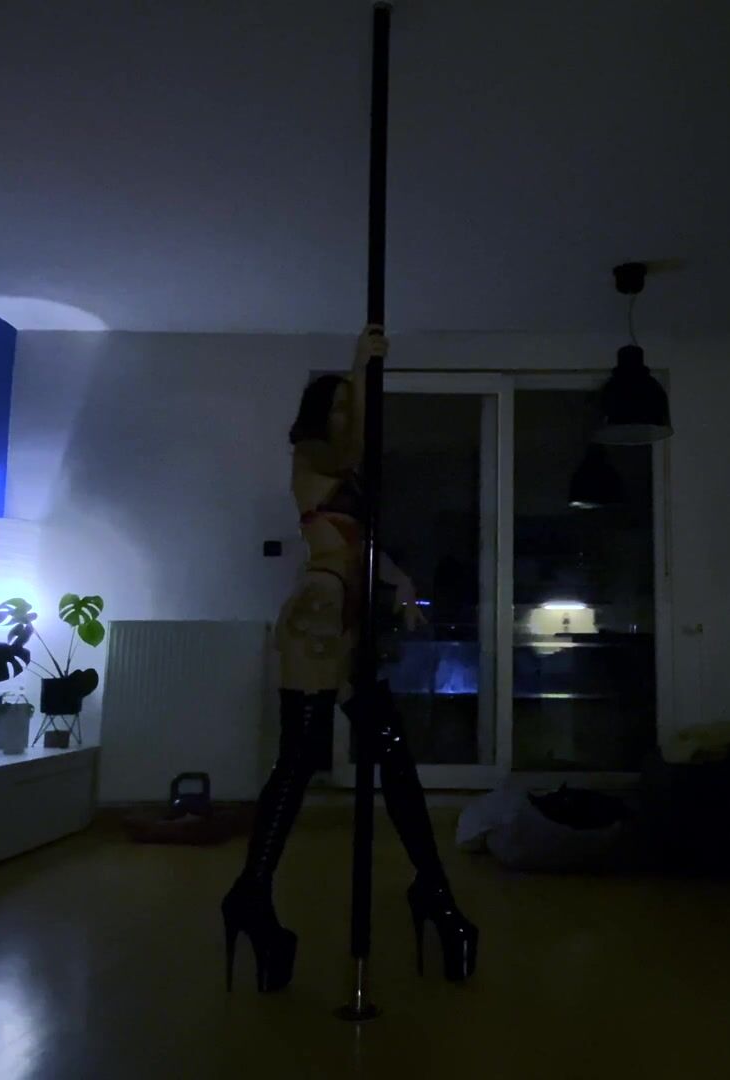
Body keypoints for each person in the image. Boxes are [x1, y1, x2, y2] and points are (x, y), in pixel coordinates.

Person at [220, 325, 478, 992]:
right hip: (319, 613)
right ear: (318, 417)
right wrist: (361, 369)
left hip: (348, 619)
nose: (344, 415)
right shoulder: (313, 456)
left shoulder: (344, 473)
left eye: (347, 406)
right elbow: (350, 455)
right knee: (301, 756)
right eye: (334, 406)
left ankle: (435, 893)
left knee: (389, 751)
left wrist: (402, 582)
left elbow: (359, 542)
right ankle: (253, 893)